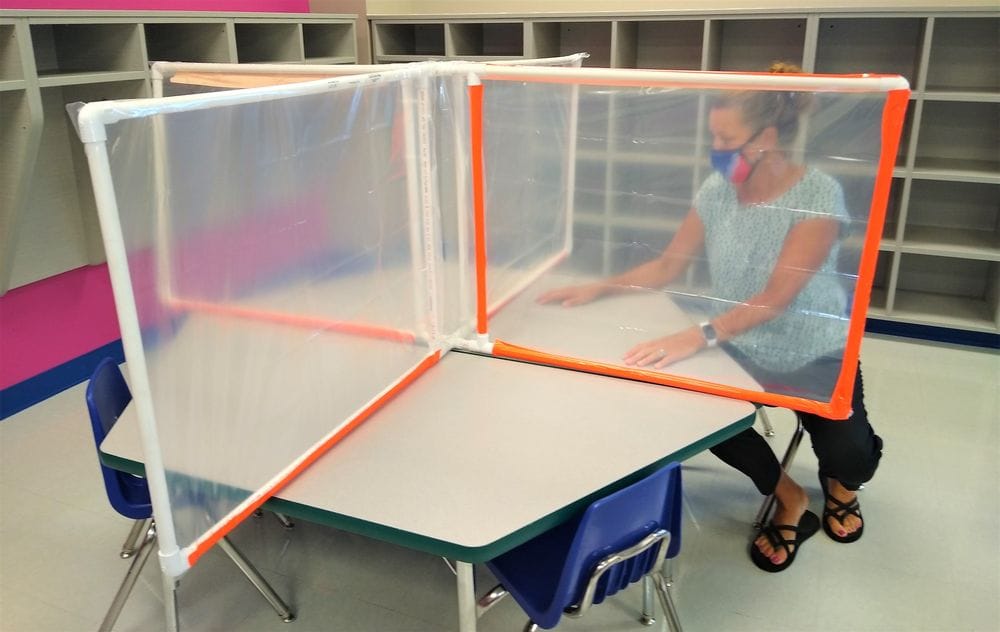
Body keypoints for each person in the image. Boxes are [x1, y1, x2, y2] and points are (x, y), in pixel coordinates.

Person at [537, 62, 883, 573]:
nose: (716, 149)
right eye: (713, 136)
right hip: (741, 344)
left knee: (852, 457)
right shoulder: (717, 190)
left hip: (815, 347)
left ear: (766, 137)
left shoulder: (817, 194)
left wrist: (698, 335)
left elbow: (778, 296)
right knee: (698, 417)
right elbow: (669, 264)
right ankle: (789, 497)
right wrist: (599, 287)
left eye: (726, 137)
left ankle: (840, 485)